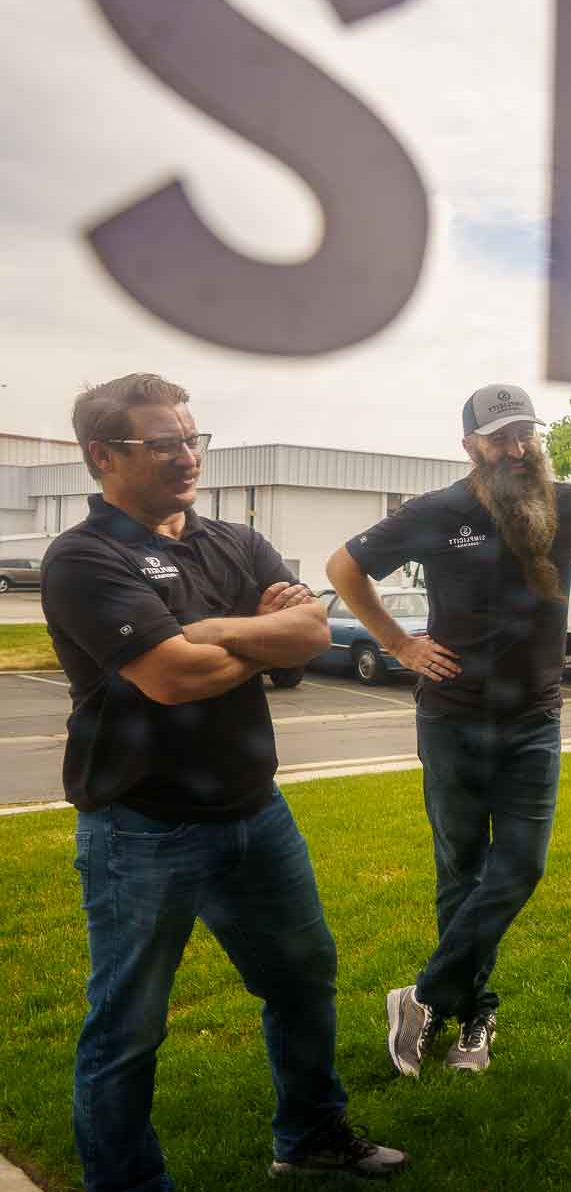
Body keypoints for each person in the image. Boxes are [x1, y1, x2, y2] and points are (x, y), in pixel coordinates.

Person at [43, 373, 408, 1187]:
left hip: (255, 812)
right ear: (103, 456)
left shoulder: (233, 540)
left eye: (190, 438)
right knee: (128, 1025)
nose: (186, 455)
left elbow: (313, 629)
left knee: (304, 978)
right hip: (143, 827)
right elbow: (173, 677)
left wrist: (212, 630)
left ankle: (310, 1136)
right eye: (162, 442)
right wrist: (255, 636)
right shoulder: (83, 557)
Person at [325, 383, 571, 1078]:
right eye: (502, 437)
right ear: (472, 446)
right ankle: (475, 1018)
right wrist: (401, 646)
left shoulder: (569, 504)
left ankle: (421, 997)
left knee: (518, 867)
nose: (518, 449)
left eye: (526, 434)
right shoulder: (438, 512)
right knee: (461, 872)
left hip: (532, 722)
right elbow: (344, 568)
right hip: (452, 720)